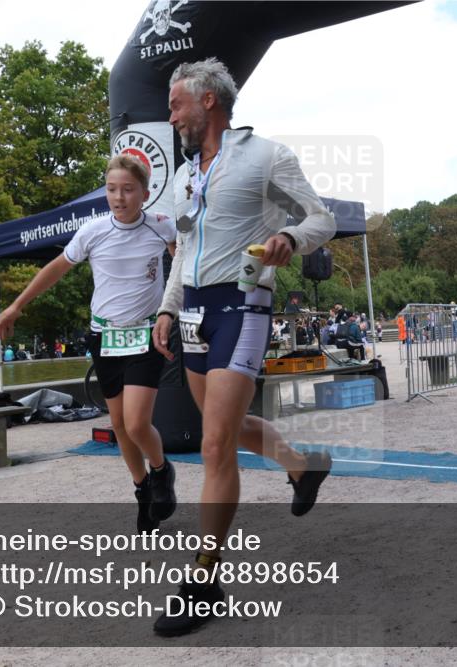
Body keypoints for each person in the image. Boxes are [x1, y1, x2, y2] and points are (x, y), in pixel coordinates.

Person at [151, 57, 336, 637]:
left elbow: (322, 218)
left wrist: (288, 237)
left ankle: (204, 584)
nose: (171, 112)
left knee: (212, 446)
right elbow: (183, 250)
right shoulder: (184, 176)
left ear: (208, 101)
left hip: (243, 303)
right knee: (221, 427)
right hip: (195, 311)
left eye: (177, 102)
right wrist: (167, 305)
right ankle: (304, 466)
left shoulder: (266, 156)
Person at [0, 154, 178, 534]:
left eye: (128, 190)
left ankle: (161, 470)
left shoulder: (163, 227)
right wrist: (15, 307)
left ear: (144, 194)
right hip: (105, 337)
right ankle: (142, 490)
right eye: (112, 189)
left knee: (137, 421)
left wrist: (176, 311)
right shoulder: (92, 232)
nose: (119, 197)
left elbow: (183, 266)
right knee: (119, 425)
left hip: (145, 335)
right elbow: (54, 270)